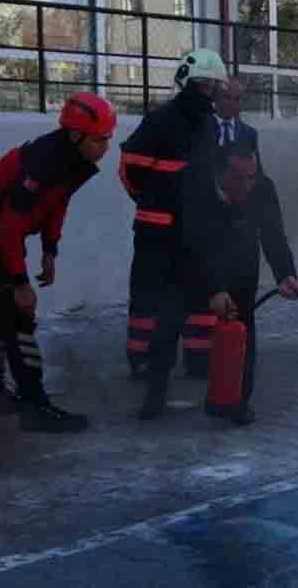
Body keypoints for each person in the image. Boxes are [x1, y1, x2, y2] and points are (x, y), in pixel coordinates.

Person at [0, 92, 115, 432]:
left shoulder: (71, 160)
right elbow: (8, 226)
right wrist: (19, 282)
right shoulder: (44, 161)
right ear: (76, 135)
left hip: (0, 228)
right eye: (100, 139)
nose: (106, 146)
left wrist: (50, 249)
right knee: (15, 312)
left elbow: (56, 205)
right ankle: (35, 405)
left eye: (108, 139)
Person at [139, 144, 298, 424]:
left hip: (240, 269)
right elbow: (195, 242)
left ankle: (237, 400)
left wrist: (285, 275)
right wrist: (214, 289)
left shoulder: (262, 188)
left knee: (243, 331)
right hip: (186, 265)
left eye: (251, 176)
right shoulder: (192, 186)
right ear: (218, 173)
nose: (246, 185)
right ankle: (154, 393)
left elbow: (274, 235)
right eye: (238, 178)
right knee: (167, 327)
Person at [119, 49, 225, 380]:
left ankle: (200, 357)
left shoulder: (210, 124)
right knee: (149, 296)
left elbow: (211, 175)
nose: (209, 93)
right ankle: (143, 360)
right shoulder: (159, 120)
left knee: (200, 290)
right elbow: (129, 168)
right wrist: (153, 200)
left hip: (197, 229)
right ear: (188, 83)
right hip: (158, 231)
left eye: (213, 87)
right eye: (204, 85)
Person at [181, 76, 263, 379]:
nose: (233, 104)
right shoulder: (201, 130)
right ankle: (198, 358)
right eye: (227, 97)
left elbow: (257, 175)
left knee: (238, 299)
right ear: (215, 99)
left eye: (238, 99)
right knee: (204, 293)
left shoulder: (249, 133)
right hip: (209, 218)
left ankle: (235, 356)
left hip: (239, 226)